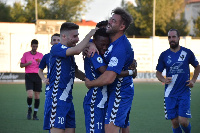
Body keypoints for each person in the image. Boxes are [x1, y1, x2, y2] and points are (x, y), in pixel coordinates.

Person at [85, 7, 134, 133]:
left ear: (122, 27)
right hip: (115, 92)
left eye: (113, 21)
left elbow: (109, 77)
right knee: (123, 127)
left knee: (110, 128)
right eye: (110, 20)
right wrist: (90, 43)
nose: (109, 22)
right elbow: (96, 39)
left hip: (120, 92)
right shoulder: (112, 42)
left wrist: (91, 83)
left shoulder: (120, 47)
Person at [43, 22, 97, 133]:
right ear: (63, 36)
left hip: (67, 101)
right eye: (75, 36)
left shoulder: (69, 53)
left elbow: (76, 71)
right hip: (56, 100)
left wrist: (93, 81)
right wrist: (90, 35)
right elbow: (77, 50)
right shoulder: (57, 48)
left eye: (78, 36)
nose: (77, 39)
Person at [156, 29, 200, 133]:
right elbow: (158, 73)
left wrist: (193, 80)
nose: (172, 39)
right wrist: (163, 79)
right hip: (170, 93)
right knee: (175, 122)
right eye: (169, 37)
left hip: (184, 92)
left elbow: (197, 67)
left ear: (179, 38)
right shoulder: (164, 55)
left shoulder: (187, 53)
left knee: (183, 121)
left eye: (174, 37)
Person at [20, 39, 43, 120]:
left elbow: (45, 66)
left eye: (36, 46)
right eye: (33, 46)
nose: (35, 48)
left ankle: (35, 114)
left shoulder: (40, 55)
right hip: (29, 76)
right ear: (31, 46)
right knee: (30, 94)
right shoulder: (26, 54)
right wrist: (27, 63)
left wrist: (41, 62)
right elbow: (21, 65)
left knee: (37, 96)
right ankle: (29, 109)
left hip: (38, 76)